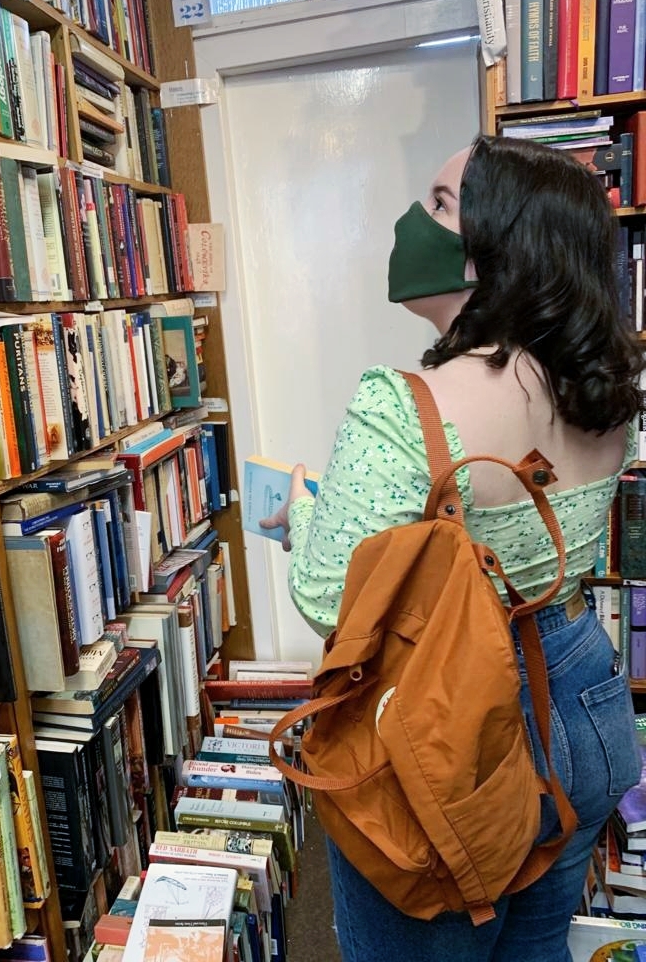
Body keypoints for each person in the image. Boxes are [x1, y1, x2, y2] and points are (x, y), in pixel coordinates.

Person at [260, 134, 645, 962]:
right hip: (583, 690)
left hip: (453, 718)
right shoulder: (606, 385)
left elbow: (331, 595)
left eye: (439, 204)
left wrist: (300, 516)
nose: (414, 219)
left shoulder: (405, 405)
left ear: (492, 254)